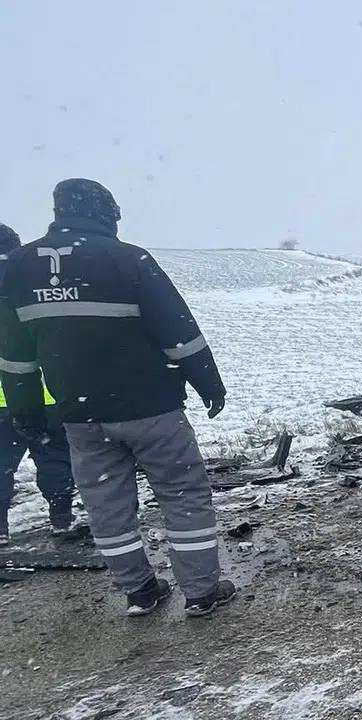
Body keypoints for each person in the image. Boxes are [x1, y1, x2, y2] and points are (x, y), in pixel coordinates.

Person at [0, 179, 234, 618]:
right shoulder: (127, 259)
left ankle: (140, 591)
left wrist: (26, 410)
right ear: (106, 212)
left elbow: (16, 357)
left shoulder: (21, 267)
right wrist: (210, 385)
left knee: (105, 504)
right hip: (153, 410)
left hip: (82, 418)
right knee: (182, 494)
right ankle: (202, 591)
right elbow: (179, 332)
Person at [0, 223, 75, 545]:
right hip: (43, 392)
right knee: (55, 456)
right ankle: (61, 520)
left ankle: (0, 533)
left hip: (3, 399)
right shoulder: (34, 281)